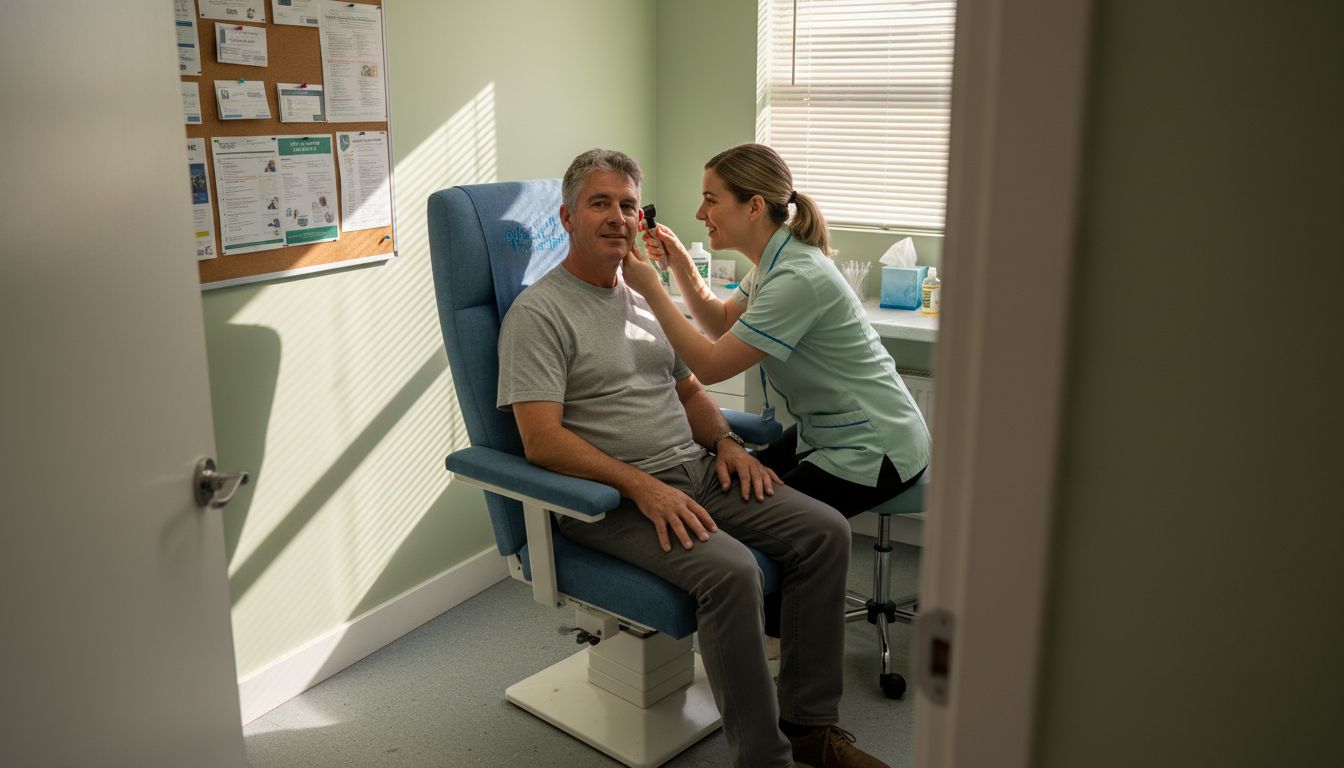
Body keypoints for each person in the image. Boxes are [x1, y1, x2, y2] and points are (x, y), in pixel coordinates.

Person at [497, 148, 887, 768]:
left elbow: (687, 387)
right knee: (733, 571)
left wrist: (727, 443)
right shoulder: (538, 314)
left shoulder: (641, 299)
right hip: (613, 500)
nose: (618, 218)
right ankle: (764, 759)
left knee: (825, 530)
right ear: (567, 218)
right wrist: (640, 487)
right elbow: (541, 440)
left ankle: (810, 727)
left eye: (628, 204)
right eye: (600, 203)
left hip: (697, 469)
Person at [622, 143, 930, 518]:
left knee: (754, 520)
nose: (700, 213)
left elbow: (710, 366)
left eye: (710, 200)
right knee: (739, 490)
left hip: (874, 446)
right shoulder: (776, 259)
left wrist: (652, 289)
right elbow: (721, 324)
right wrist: (682, 266)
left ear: (754, 206)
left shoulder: (796, 276)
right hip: (831, 429)